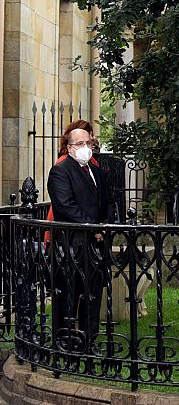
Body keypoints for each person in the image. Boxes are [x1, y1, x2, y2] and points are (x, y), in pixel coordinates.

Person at [47, 127, 110, 343]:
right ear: (69, 147)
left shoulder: (96, 172)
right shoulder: (61, 171)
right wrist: (94, 227)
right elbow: (66, 206)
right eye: (79, 144)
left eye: (88, 143)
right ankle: (63, 342)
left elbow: (105, 204)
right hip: (70, 244)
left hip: (95, 246)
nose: (85, 148)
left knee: (92, 295)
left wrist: (103, 227)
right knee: (67, 295)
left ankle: (89, 340)